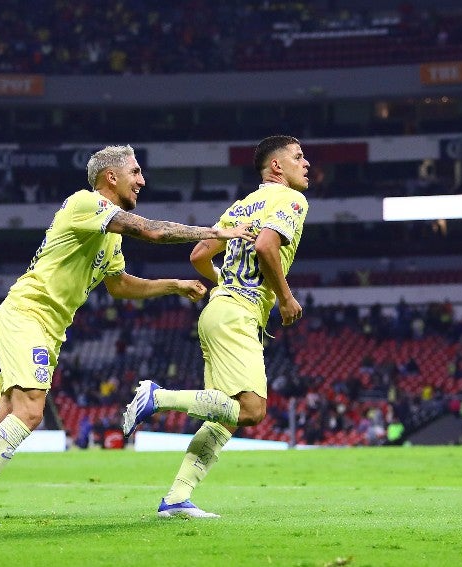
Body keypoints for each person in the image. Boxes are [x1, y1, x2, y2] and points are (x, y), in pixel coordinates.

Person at [0, 144, 255, 526]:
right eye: (135, 172)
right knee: (30, 413)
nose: (142, 181)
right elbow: (152, 230)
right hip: (26, 313)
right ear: (110, 177)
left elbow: (119, 285)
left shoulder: (111, 237)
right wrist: (217, 232)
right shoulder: (84, 203)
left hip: (50, 329)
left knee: (0, 425)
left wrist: (174, 286)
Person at [122, 135, 309, 518]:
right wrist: (287, 298)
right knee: (252, 410)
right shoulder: (291, 200)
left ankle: (176, 498)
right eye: (298, 157)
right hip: (239, 311)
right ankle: (157, 397)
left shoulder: (241, 207)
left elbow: (200, 253)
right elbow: (266, 248)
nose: (306, 164)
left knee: (225, 417)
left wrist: (224, 283)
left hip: (219, 308)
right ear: (277, 167)